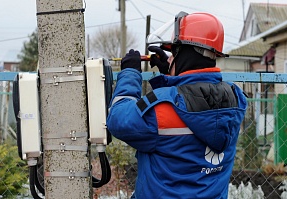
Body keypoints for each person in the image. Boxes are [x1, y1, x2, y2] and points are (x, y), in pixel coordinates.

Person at [106, 11, 247, 199]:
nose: (170, 58)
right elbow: (191, 99)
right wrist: (172, 74)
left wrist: (130, 74)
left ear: (185, 54)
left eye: (174, 52)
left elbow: (118, 119)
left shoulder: (162, 111)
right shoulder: (236, 99)